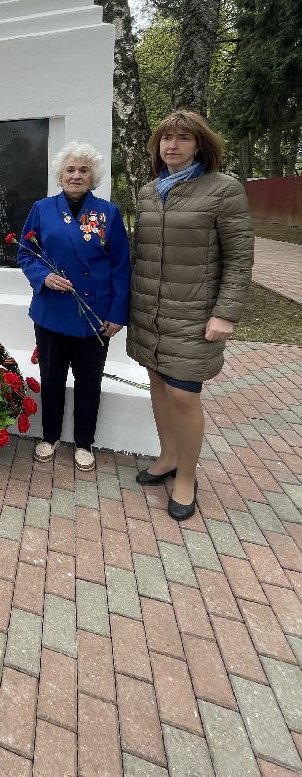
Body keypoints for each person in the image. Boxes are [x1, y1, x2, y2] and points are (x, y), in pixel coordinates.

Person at [128, 111, 253, 520]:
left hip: (194, 313)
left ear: (200, 144)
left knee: (184, 393)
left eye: (183, 138)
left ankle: (187, 476)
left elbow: (238, 259)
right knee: (159, 384)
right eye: (166, 138)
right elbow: (138, 253)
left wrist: (226, 313)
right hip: (150, 309)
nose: (172, 145)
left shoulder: (223, 190)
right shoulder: (148, 193)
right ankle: (166, 457)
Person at [17, 142, 130, 472]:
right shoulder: (42, 209)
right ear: (60, 174)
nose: (76, 175)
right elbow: (26, 253)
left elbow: (121, 266)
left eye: (83, 170)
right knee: (51, 377)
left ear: (92, 176)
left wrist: (117, 314)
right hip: (52, 311)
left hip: (93, 316)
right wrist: (44, 276)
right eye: (70, 169)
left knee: (89, 381)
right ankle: (50, 436)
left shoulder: (108, 213)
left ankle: (84, 442)